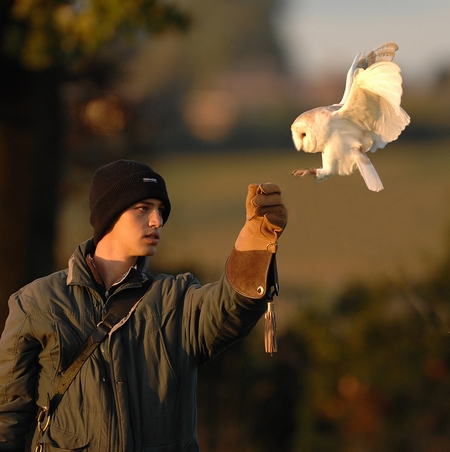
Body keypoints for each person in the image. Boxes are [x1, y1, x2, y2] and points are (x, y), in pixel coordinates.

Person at [0, 159, 287, 451]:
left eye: (160, 211)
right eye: (143, 208)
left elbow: (230, 308)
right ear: (110, 213)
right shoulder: (35, 303)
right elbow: (7, 417)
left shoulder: (176, 299)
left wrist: (252, 248)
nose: (157, 221)